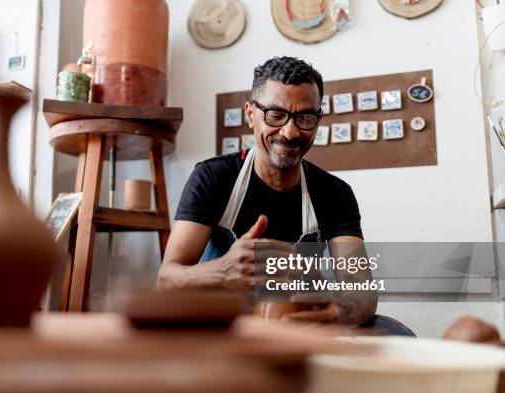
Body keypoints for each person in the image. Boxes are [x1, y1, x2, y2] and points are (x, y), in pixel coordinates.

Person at [157, 56, 413, 336]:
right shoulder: (213, 178)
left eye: (304, 118)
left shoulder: (334, 194)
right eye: (276, 115)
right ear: (250, 114)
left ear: (318, 121)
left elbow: (362, 293)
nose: (290, 132)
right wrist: (223, 270)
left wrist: (337, 310)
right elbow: (167, 278)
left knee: (394, 334)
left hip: (295, 326)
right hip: (224, 327)